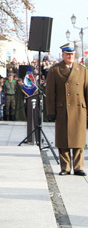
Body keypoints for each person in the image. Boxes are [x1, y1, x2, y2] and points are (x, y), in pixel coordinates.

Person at [46, 42, 87, 176]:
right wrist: (51, 111)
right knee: (63, 140)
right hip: (63, 110)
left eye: (72, 54)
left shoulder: (82, 70)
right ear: (63, 55)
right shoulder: (55, 70)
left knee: (79, 140)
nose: (70, 56)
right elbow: (51, 93)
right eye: (67, 54)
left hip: (79, 110)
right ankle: (65, 167)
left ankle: (79, 166)